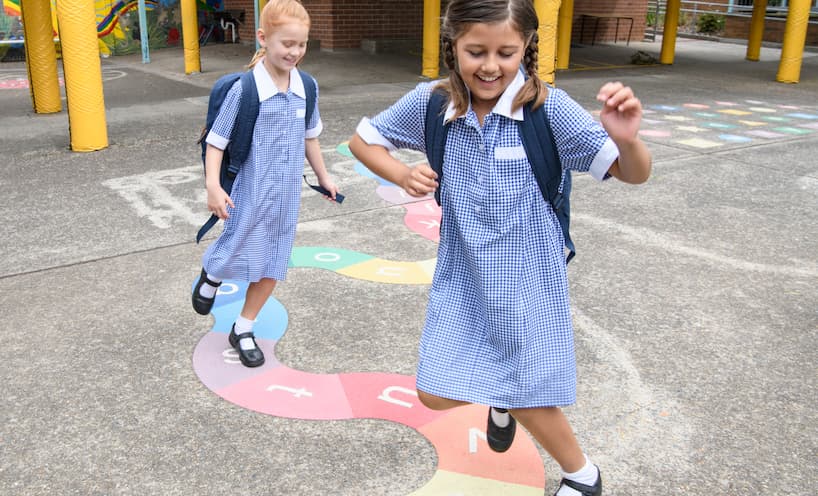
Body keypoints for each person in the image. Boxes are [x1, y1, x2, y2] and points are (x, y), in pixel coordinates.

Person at [348, 0, 651, 494]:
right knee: (434, 393)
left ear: (526, 47)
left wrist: (627, 140)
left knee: (527, 388)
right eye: (476, 51)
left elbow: (633, 174)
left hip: (529, 277)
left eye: (506, 52)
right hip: (463, 274)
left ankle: (583, 476)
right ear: (454, 46)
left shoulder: (547, 110)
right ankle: (500, 397)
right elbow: (364, 141)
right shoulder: (433, 103)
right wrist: (402, 173)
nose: (490, 66)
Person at [192, 0, 339, 368]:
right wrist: (213, 186)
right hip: (249, 189)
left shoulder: (307, 86)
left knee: (274, 261)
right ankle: (211, 273)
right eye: (287, 43)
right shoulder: (245, 90)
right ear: (263, 38)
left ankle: (243, 327)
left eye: (301, 44)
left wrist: (323, 176)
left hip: (287, 195)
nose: (295, 52)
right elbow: (216, 141)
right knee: (236, 246)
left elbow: (310, 136)